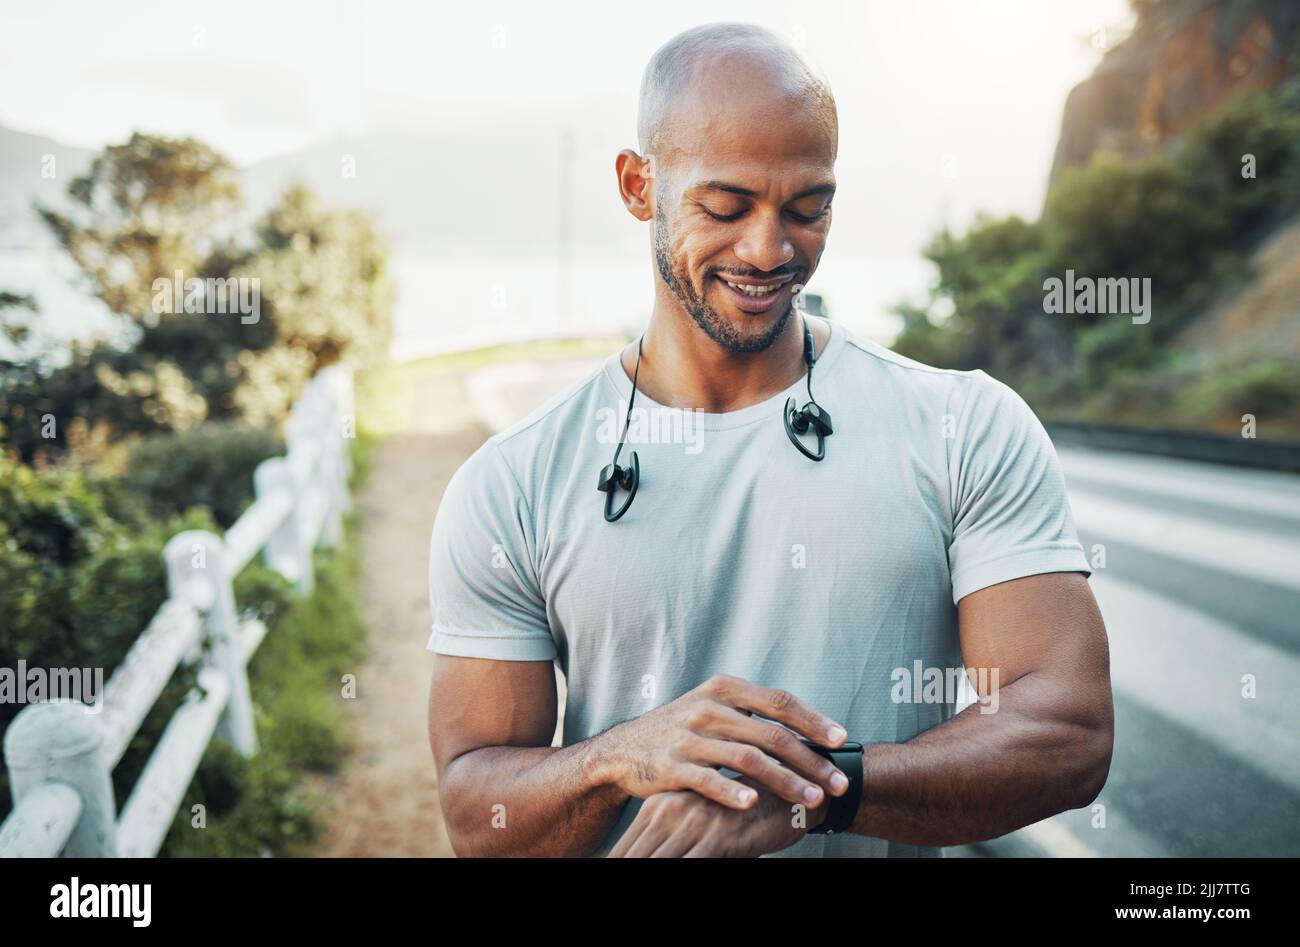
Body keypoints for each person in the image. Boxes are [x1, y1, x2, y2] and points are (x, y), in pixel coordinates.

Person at [425, 22, 1113, 857]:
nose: (769, 250)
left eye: (807, 208)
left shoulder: (966, 425)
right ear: (638, 185)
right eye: (726, 206)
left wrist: (816, 790)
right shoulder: (511, 481)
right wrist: (622, 758)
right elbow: (475, 815)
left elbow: (1067, 733)